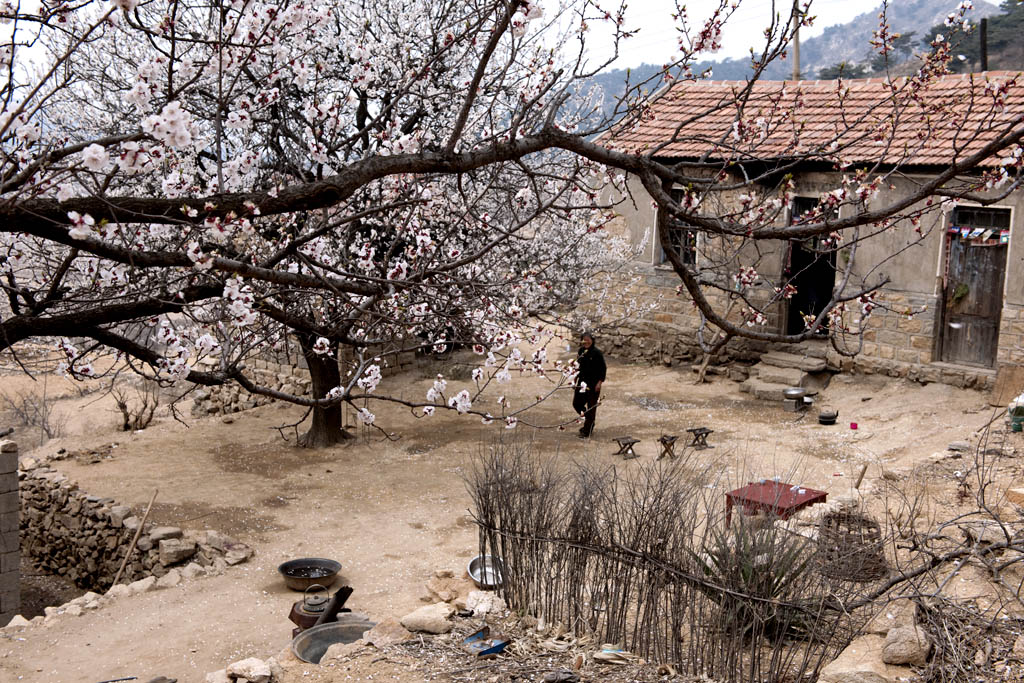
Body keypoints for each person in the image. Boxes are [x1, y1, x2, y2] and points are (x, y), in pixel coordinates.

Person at [572, 332, 606, 438]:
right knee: (577, 404)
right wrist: (574, 378)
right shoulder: (581, 351)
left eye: (588, 339)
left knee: (591, 407)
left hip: (593, 384)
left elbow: (603, 369)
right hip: (581, 382)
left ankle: (587, 430)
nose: (586, 342)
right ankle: (589, 419)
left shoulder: (597, 353)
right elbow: (578, 366)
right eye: (584, 339)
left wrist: (599, 383)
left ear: (592, 340)